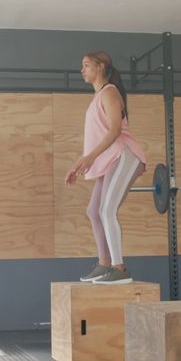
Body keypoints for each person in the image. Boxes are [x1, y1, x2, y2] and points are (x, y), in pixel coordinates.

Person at [65, 51, 148, 285]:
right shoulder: (97, 97)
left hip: (124, 156)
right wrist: (79, 163)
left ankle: (119, 267)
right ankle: (104, 264)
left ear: (101, 67)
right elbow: (96, 138)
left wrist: (90, 158)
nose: (82, 70)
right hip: (109, 159)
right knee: (93, 211)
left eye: (86, 65)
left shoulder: (110, 92)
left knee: (106, 210)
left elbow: (114, 131)